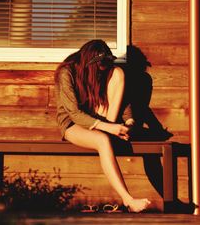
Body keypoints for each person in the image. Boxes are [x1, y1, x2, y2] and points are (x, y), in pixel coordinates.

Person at [54, 39, 151, 213]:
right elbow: (74, 113)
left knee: (119, 73)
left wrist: (129, 122)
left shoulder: (103, 71)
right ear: (90, 63)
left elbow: (124, 100)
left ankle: (115, 130)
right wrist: (108, 128)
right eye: (100, 66)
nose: (102, 70)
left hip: (102, 121)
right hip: (72, 123)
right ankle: (128, 200)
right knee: (103, 140)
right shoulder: (66, 73)